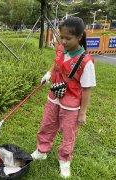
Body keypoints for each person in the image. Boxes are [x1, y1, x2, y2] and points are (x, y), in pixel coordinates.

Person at [31, 17, 96, 178]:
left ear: (79, 37)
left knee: (68, 133)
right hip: (54, 97)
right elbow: (56, 64)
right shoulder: (60, 49)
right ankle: (42, 150)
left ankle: (65, 161)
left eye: (68, 38)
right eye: (62, 37)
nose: (64, 41)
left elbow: (87, 89)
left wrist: (82, 113)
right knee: (47, 124)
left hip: (71, 105)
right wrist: (49, 74)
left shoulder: (86, 62)